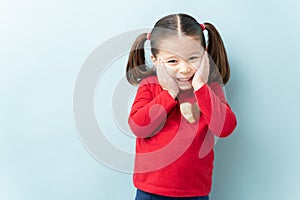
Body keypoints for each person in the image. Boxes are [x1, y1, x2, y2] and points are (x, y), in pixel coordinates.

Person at [126, 13, 237, 200]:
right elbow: (139, 126)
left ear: (205, 54)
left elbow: (225, 128)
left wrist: (201, 87)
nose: (184, 69)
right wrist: (169, 93)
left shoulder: (210, 88)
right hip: (152, 192)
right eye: (172, 61)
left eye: (192, 58)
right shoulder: (150, 85)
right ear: (155, 59)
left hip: (195, 193)